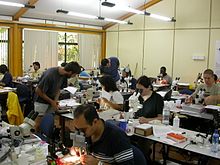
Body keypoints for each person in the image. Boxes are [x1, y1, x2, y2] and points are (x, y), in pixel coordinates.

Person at [34, 61, 81, 130]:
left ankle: (46, 139)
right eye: (74, 75)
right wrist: (52, 102)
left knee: (48, 124)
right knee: (38, 125)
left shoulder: (64, 76)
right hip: (41, 101)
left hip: (51, 101)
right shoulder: (50, 75)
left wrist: (55, 101)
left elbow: (58, 89)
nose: (74, 77)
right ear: (70, 72)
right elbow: (38, 90)